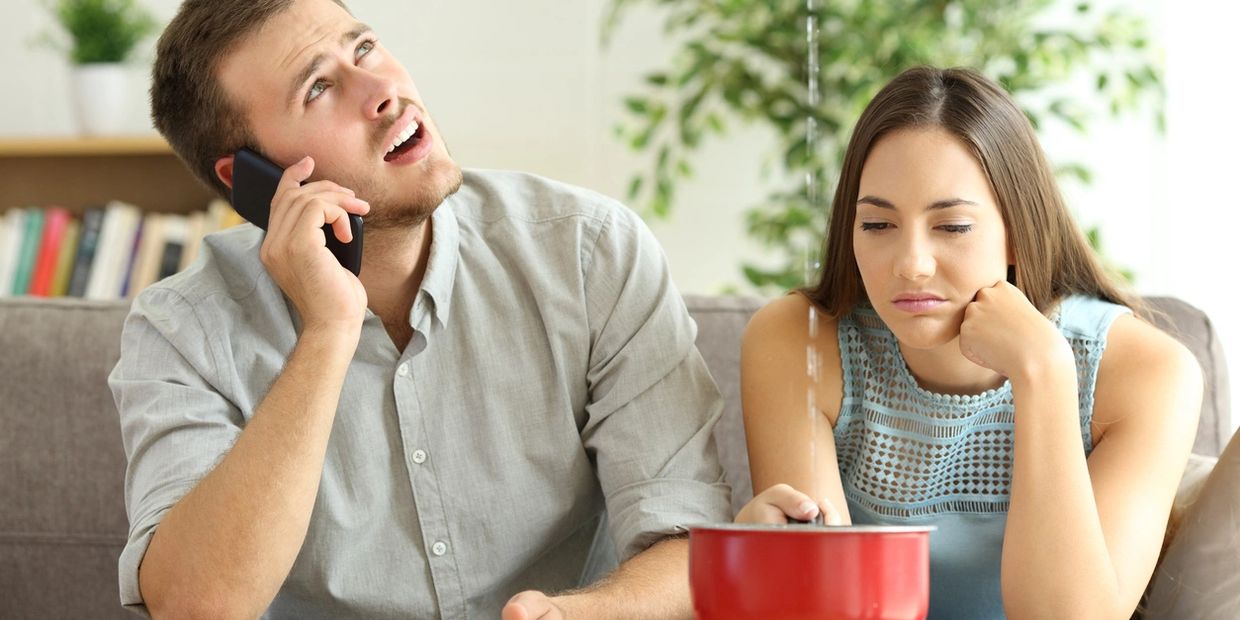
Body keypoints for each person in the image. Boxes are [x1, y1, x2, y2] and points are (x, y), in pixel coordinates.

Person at [109, 0, 732, 617]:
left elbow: (690, 542)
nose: (383, 91)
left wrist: (573, 617)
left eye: (364, 49)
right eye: (319, 88)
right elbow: (195, 607)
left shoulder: (588, 251)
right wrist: (328, 331)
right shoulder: (180, 331)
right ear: (251, 178)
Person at [734, 66, 1202, 619]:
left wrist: (1044, 374)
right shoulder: (799, 342)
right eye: (878, 225)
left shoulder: (1149, 372)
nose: (910, 265)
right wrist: (758, 567)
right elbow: (830, 605)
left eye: (952, 226)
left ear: (1018, 230)